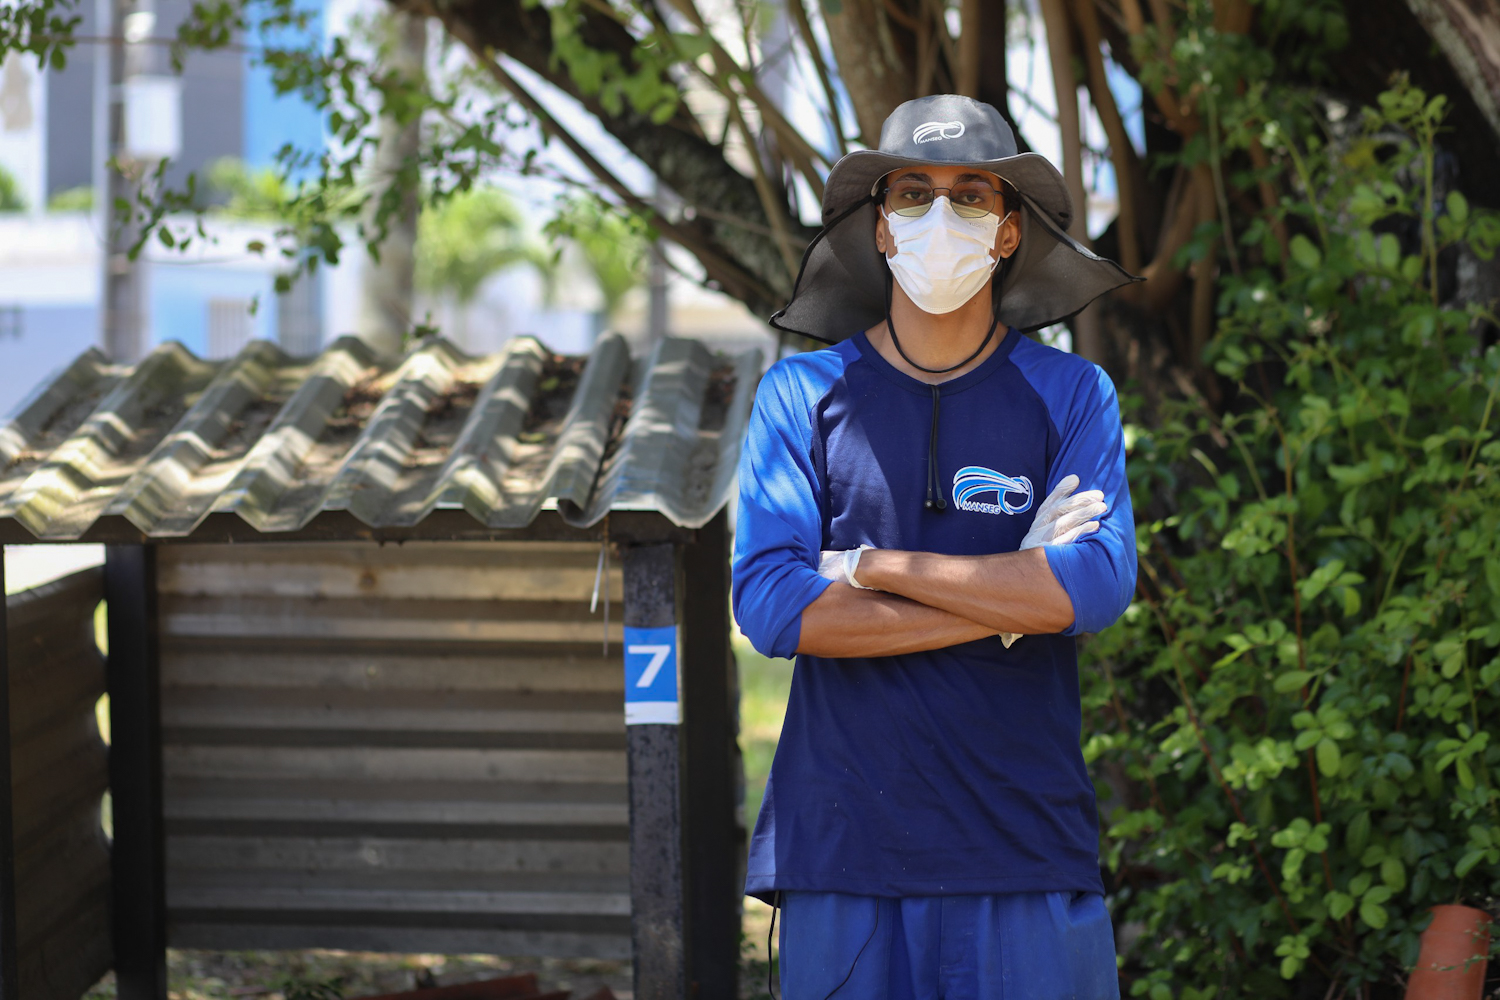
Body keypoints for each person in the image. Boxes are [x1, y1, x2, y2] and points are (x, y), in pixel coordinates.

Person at [731, 94, 1139, 999]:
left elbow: (1097, 588)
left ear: (1006, 233)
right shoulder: (802, 396)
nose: (939, 216)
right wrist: (1009, 603)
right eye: (912, 193)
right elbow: (770, 605)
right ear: (879, 229)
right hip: (844, 854)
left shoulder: (1072, 395)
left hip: (1024, 850)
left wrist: (869, 565)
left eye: (971, 195)